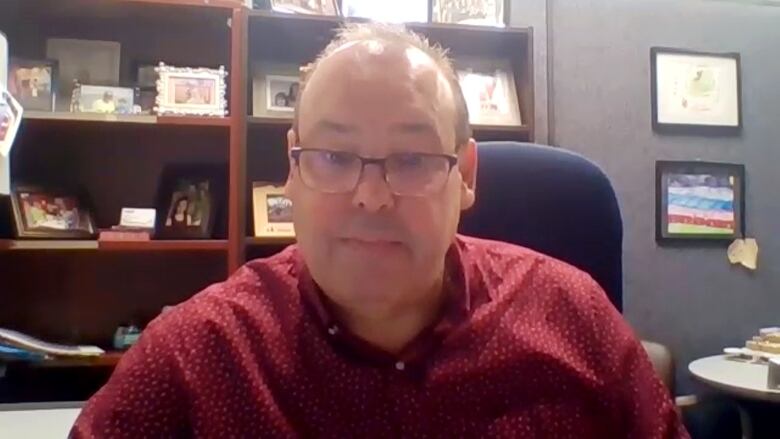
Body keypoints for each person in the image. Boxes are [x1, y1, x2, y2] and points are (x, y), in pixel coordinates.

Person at [72, 23, 688, 438]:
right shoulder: (195, 357)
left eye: (413, 160)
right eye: (334, 158)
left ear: (465, 175)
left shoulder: (573, 317)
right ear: (293, 169)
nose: (371, 197)